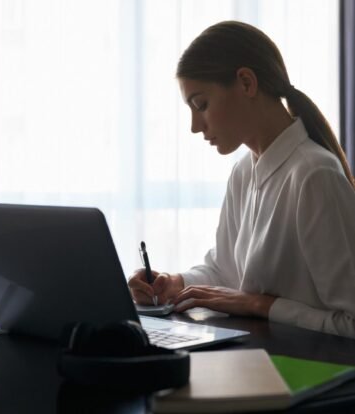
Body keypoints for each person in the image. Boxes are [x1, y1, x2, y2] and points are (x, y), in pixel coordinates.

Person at [128, 21, 355, 339]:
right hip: (258, 362)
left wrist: (262, 305)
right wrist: (173, 283)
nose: (195, 126)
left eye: (201, 105)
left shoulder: (314, 176)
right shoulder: (244, 173)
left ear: (246, 83)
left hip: (313, 373)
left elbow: (351, 322)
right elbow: (226, 272)